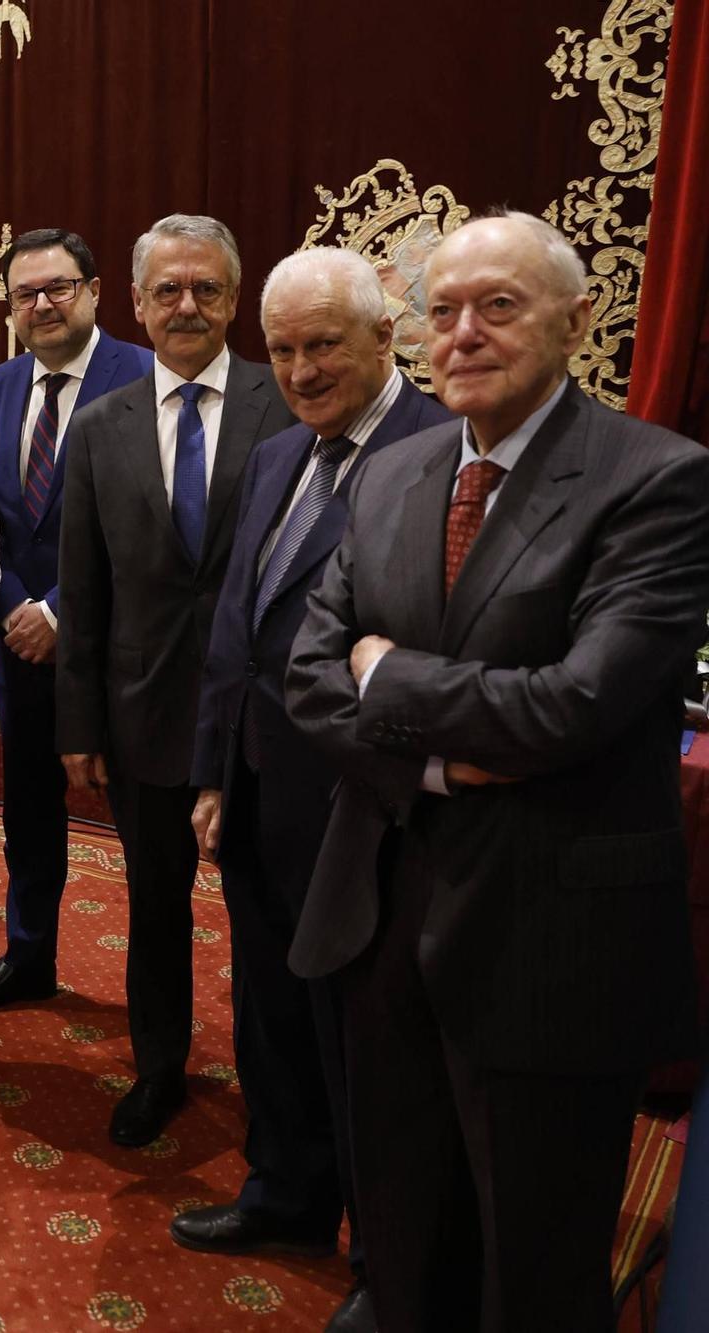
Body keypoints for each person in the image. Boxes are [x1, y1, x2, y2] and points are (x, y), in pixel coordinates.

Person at [285, 212, 709, 1333]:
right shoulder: (393, 472)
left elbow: (574, 704)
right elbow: (308, 675)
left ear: (574, 322)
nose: (462, 332)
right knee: (403, 1225)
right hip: (382, 912)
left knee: (533, 1262)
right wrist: (435, 764)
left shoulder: (656, 480)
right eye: (442, 310)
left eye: (498, 306)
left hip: (549, 940)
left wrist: (388, 675)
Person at [181, 247, 449, 1333]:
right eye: (281, 348)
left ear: (386, 335)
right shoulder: (276, 451)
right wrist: (209, 767)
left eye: (321, 344)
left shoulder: (441, 450)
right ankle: (285, 1193)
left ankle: (384, 1257)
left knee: (370, 1043)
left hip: (362, 804)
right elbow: (233, 624)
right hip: (253, 786)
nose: (297, 369)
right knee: (270, 1018)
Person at [54, 213, 296, 1147]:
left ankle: (276, 1094)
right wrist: (78, 724)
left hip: (263, 723)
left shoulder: (291, 404)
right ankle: (160, 1065)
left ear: (235, 300)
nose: (185, 305)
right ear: (139, 305)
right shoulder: (100, 427)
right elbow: (83, 586)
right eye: (167, 290)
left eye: (205, 289)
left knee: (264, 917)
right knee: (153, 907)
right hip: (142, 714)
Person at [0, 228, 153, 1019]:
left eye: (58, 287)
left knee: (143, 837)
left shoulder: (146, 376)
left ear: (94, 290)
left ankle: (151, 1001)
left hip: (116, 648)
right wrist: (13, 609)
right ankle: (29, 958)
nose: (42, 305)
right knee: (30, 817)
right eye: (25, 294)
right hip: (18, 648)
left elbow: (154, 520)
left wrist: (61, 608)